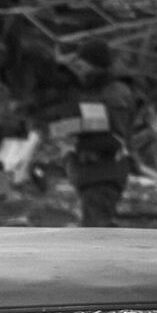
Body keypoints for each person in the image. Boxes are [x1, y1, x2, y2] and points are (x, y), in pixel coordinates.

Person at [52, 40, 137, 227]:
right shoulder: (92, 90)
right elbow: (91, 124)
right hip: (89, 175)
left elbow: (116, 137)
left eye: (81, 65)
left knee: (96, 236)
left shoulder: (115, 93)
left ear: (95, 65)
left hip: (102, 177)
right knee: (93, 233)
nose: (78, 70)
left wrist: (74, 143)